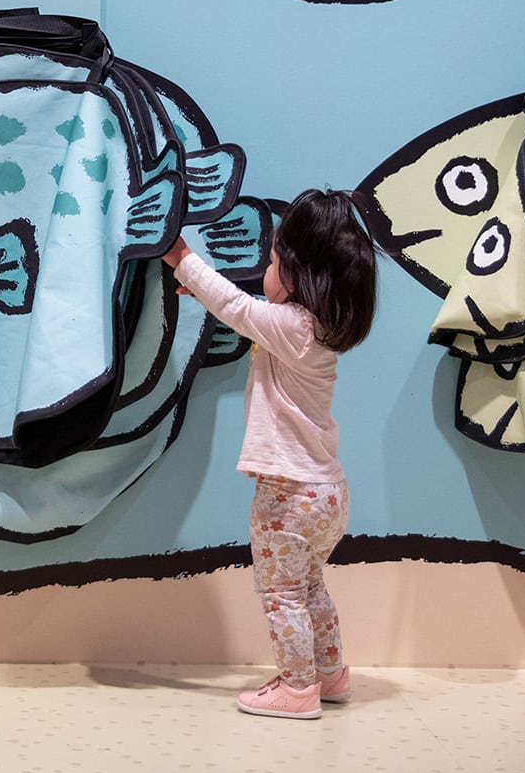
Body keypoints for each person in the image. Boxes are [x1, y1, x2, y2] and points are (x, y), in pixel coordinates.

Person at [162, 188, 378, 719]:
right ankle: (329, 675)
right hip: (327, 492)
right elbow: (248, 308)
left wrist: (183, 260)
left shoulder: (292, 329)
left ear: (301, 275)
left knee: (281, 595)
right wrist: (208, 290)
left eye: (275, 260)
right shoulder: (316, 330)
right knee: (309, 589)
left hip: (289, 495)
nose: (268, 268)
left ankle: (297, 688)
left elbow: (240, 308)